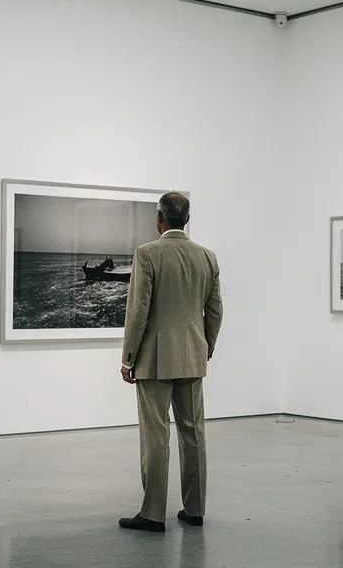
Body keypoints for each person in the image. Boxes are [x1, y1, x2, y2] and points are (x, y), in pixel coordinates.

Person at [118, 192, 223, 533]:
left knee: (156, 436)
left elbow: (138, 312)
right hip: (192, 357)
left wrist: (128, 358)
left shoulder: (147, 254)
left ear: (160, 218)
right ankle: (195, 509)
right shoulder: (207, 257)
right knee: (193, 434)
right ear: (186, 220)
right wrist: (204, 346)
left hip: (155, 360)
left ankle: (152, 514)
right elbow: (215, 311)